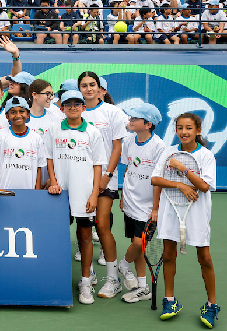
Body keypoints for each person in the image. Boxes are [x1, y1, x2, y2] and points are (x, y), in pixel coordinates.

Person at [150, 113, 219, 327]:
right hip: (171, 211)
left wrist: (183, 170)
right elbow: (155, 179)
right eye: (180, 128)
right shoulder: (168, 152)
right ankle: (170, 300)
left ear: (198, 131)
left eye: (188, 128)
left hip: (197, 213)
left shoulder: (207, 156)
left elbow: (204, 186)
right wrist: (179, 184)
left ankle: (211, 305)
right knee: (169, 255)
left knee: (204, 257)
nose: (184, 132)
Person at [45, 89, 107, 305]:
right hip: (59, 194)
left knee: (85, 237)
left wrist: (94, 194)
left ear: (84, 107)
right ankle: (55, 279)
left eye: (77, 103)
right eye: (68, 104)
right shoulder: (53, 129)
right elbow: (49, 159)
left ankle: (85, 281)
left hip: (84, 195)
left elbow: (98, 165)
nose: (72, 107)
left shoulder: (93, 133)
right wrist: (53, 181)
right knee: (57, 237)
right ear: (61, 108)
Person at [79, 71, 128, 298]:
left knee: (102, 226)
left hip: (106, 178)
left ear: (99, 88)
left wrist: (107, 174)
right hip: (80, 179)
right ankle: (88, 274)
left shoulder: (113, 112)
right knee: (83, 228)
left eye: (92, 85)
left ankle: (112, 279)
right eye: (84, 85)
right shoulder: (74, 111)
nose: (88, 89)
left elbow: (117, 147)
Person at [117, 103, 166, 303]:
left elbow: (159, 180)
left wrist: (155, 208)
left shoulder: (159, 146)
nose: (130, 121)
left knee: (139, 243)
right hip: (130, 200)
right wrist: (122, 196)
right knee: (137, 245)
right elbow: (128, 168)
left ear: (148, 124)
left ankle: (123, 265)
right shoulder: (128, 140)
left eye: (135, 119)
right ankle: (143, 287)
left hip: (147, 207)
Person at [0, 96, 45, 190]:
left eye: (22, 111)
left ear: (28, 114)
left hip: (29, 193)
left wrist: (36, 194)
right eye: (13, 112)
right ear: (7, 116)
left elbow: (38, 169)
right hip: (5, 192)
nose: (18, 115)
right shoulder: (1, 136)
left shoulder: (36, 138)